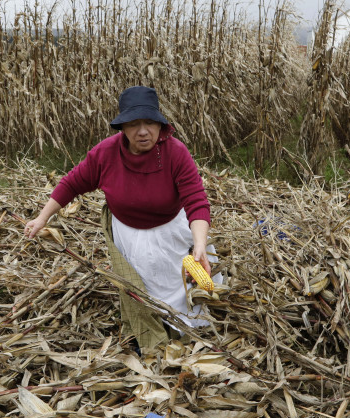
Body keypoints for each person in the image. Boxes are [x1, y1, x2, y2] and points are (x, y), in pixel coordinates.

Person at [24, 86, 219, 352]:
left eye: (150, 123)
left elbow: (196, 201)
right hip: (129, 234)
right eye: (134, 124)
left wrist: (198, 245)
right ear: (122, 128)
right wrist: (41, 218)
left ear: (161, 125)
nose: (143, 131)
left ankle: (186, 328)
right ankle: (148, 335)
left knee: (180, 283)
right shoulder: (105, 154)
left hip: (171, 231)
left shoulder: (175, 153)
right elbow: (72, 183)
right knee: (140, 287)